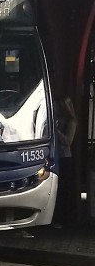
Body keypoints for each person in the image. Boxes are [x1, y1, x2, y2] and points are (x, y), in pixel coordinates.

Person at [53, 96, 77, 227]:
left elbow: (68, 141)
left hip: (65, 157)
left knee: (63, 189)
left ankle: (64, 219)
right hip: (56, 156)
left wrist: (56, 132)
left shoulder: (71, 122)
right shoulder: (56, 120)